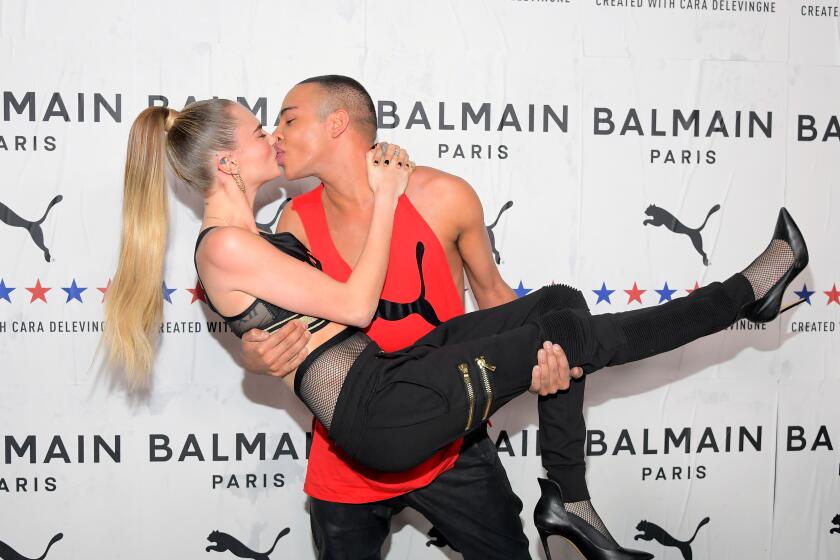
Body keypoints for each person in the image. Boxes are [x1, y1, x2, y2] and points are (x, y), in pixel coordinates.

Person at [105, 94, 807, 560]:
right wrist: (385, 198)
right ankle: (745, 293)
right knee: (570, 336)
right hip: (376, 413)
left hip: (389, 374)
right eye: (261, 129)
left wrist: (256, 352)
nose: (271, 136)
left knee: (557, 307)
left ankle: (566, 496)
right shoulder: (229, 243)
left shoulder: (248, 235)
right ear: (228, 161)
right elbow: (350, 306)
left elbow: (278, 326)